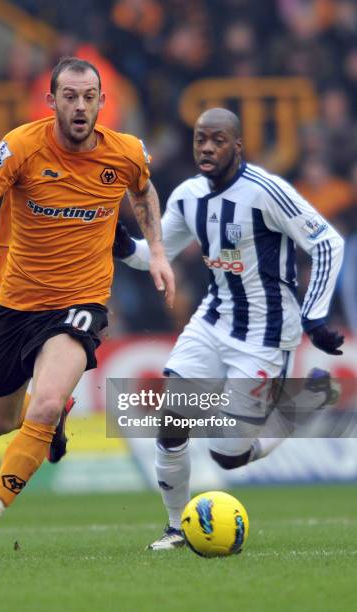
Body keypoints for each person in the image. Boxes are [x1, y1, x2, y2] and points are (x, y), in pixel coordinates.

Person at [0, 57, 175, 559]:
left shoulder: (126, 152)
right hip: (15, 303)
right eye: (69, 96)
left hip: (80, 303)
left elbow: (144, 192)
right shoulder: (23, 146)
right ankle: (50, 422)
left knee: (47, 400)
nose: (80, 105)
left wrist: (156, 251)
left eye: (89, 96)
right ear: (51, 101)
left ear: (101, 101)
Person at [113, 107, 345, 550]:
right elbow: (154, 254)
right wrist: (121, 243)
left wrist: (315, 316)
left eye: (218, 140)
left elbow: (327, 242)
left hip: (266, 336)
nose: (207, 147)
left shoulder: (266, 191)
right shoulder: (187, 196)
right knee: (172, 416)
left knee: (228, 454)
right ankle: (176, 527)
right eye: (201, 139)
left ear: (237, 146)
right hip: (214, 318)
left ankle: (302, 403)